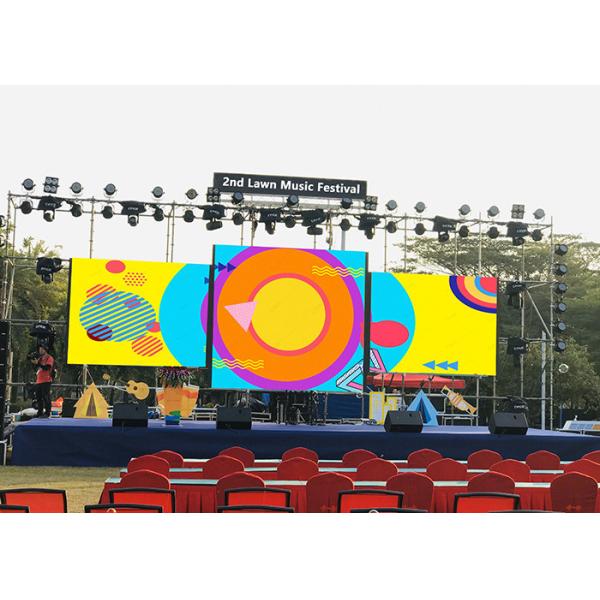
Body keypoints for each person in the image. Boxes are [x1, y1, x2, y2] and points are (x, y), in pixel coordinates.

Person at [32, 344, 54, 418]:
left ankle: (47, 412)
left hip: (46, 380)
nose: (40, 351)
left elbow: (47, 368)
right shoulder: (40, 358)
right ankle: (40, 412)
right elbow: (36, 368)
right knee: (38, 397)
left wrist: (38, 363)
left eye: (42, 349)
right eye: (39, 349)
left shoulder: (49, 358)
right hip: (39, 380)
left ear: (45, 350)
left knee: (46, 397)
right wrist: (34, 362)